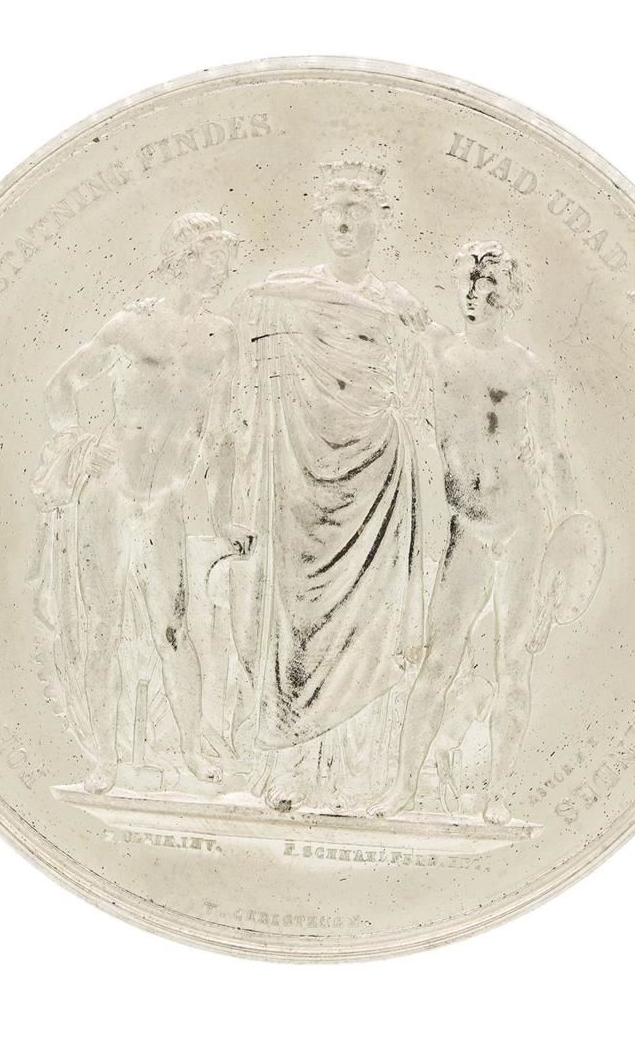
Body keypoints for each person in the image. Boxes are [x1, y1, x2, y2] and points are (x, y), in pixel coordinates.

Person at [227, 162, 433, 811]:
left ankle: (349, 772)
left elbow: (418, 393)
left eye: (358, 210)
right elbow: (250, 349)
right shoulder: (291, 293)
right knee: (297, 617)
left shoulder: (400, 307)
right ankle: (288, 761)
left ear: (379, 222)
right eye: (335, 209)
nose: (345, 221)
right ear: (320, 218)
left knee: (368, 618)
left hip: (375, 473)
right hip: (300, 472)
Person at [30, 212, 246, 793]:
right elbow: (61, 386)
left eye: (226, 264)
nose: (221, 273)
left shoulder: (221, 337)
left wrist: (223, 516)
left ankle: (192, 748)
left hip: (167, 498)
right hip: (110, 491)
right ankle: (103, 758)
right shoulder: (130, 325)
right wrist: (76, 442)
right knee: (102, 625)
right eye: (212, 260)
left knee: (173, 625)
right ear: (182, 258)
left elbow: (223, 435)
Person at [372, 240, 577, 822]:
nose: (475, 296)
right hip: (466, 525)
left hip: (520, 528)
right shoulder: (438, 351)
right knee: (438, 661)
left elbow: (552, 455)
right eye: (469, 283)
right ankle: (402, 788)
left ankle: (497, 794)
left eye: (490, 287)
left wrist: (568, 533)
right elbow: (387, 305)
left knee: (513, 664)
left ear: (509, 297)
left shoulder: (528, 369)